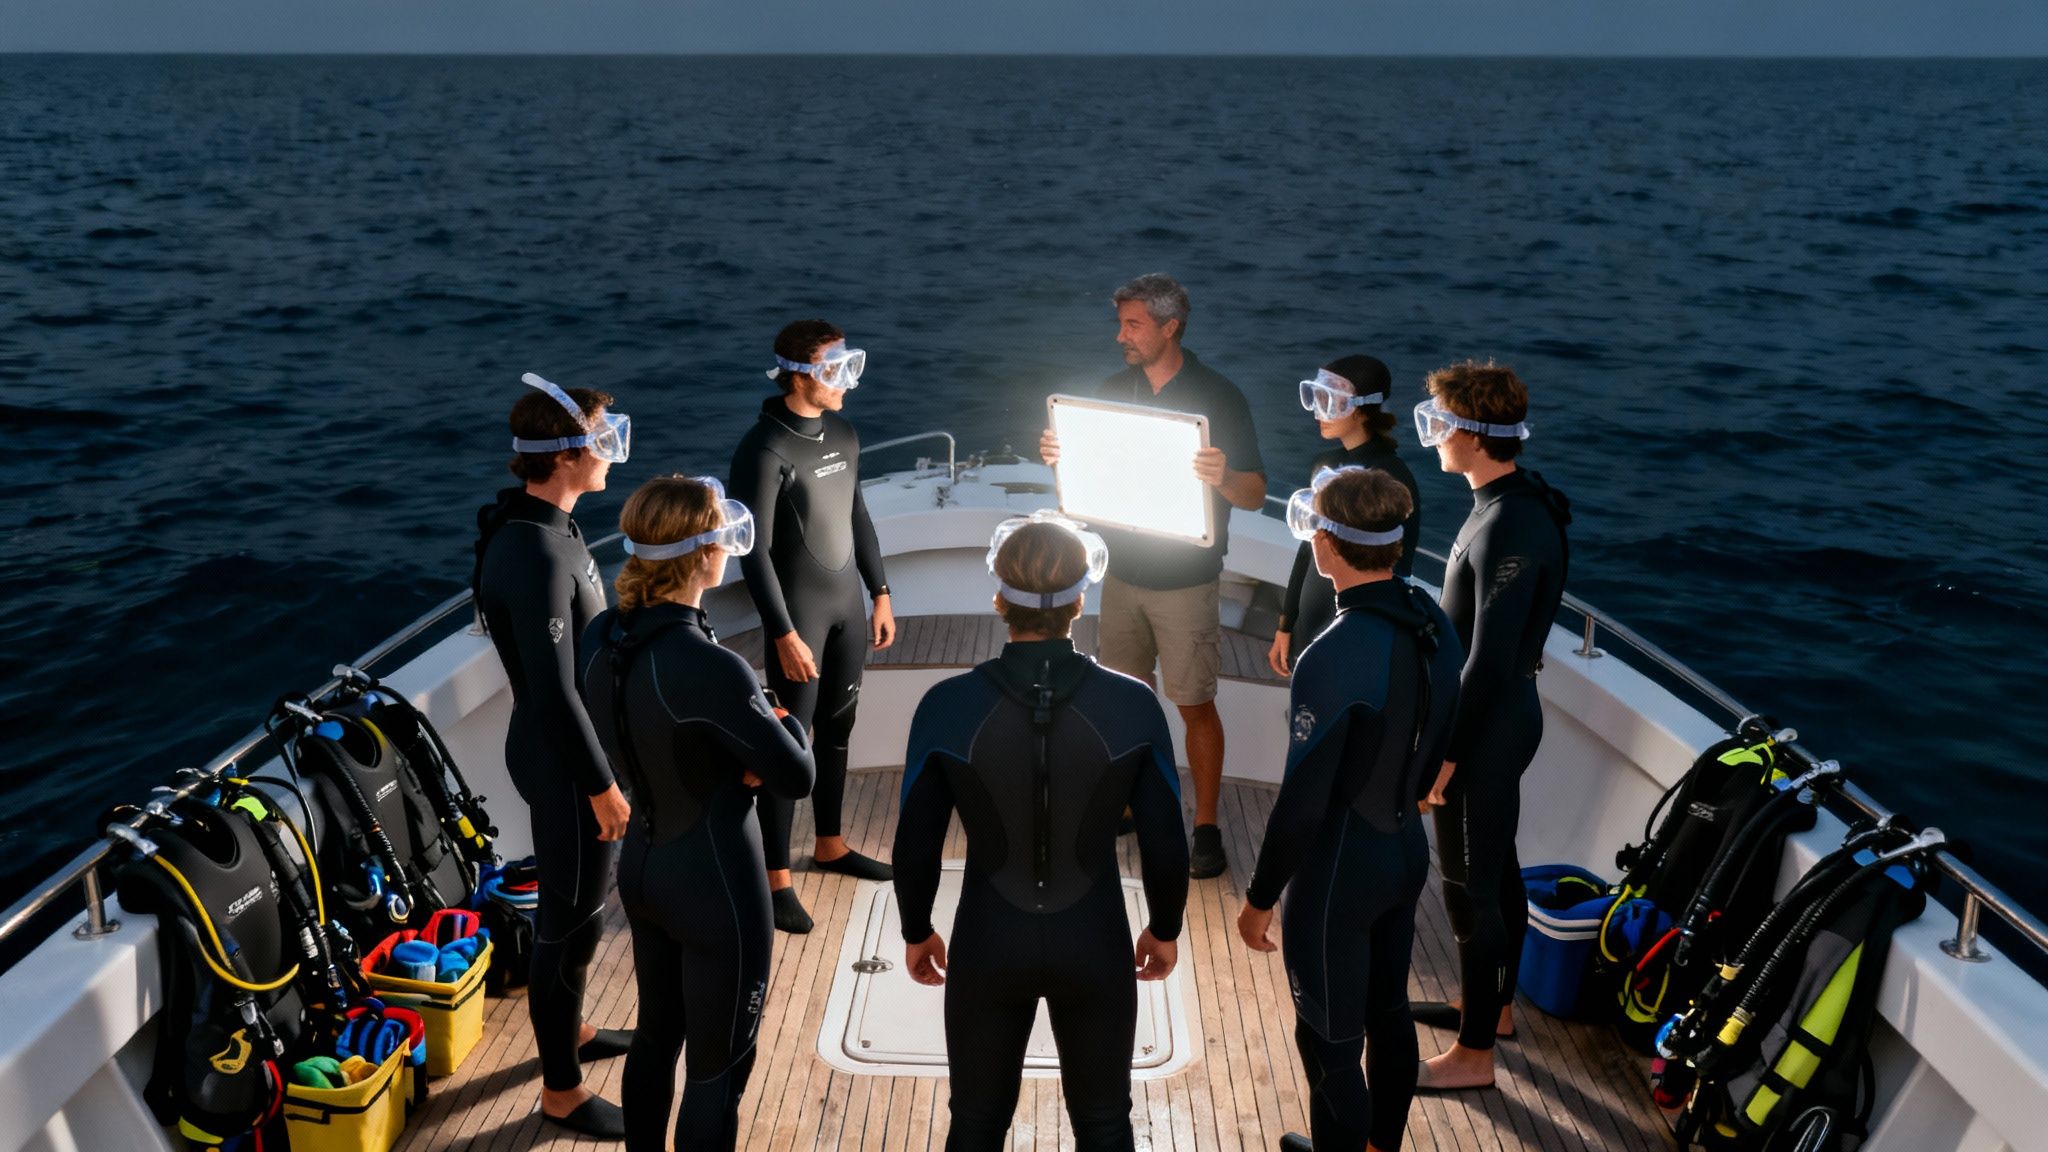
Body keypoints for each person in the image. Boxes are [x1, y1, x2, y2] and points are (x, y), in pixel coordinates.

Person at [894, 511, 1190, 1152]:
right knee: (1105, 1123)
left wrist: (917, 929)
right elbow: (1167, 838)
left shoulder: (946, 704)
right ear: (1081, 601)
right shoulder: (1134, 704)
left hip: (988, 940)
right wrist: (1164, 927)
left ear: (999, 598)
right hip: (1094, 939)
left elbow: (915, 842)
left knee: (976, 1123)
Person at [578, 475, 816, 1152]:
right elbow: (796, 775)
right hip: (717, 883)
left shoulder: (601, 636)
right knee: (718, 1072)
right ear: (706, 555)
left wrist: (733, 745)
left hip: (643, 869)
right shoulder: (712, 667)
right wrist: (780, 725)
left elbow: (659, 732)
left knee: (656, 1037)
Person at [1237, 467, 1464, 1152]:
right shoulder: (1432, 619)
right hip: (1404, 849)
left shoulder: (1333, 654)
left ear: (1325, 544)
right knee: (1388, 1013)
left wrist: (1259, 898)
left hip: (1341, 872)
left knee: (1329, 1043)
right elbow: (1444, 732)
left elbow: (1303, 802)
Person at [1038, 273, 1265, 879]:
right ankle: (1129, 804)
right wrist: (1062, 459)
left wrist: (1221, 477)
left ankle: (1206, 826)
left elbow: (1253, 493)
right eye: (1121, 325)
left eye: (1133, 325)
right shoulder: (1113, 391)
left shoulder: (1220, 396)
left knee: (1194, 705)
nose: (1121, 337)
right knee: (1126, 698)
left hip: (1187, 581)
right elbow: (1091, 479)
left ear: (1170, 327)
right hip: (1121, 576)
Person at [472, 372, 634, 1138]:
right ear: (565, 454)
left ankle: (572, 1030)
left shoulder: (554, 529)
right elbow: (553, 689)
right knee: (569, 925)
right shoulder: (534, 550)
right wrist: (601, 783)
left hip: (571, 751)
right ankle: (561, 1093)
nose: (613, 452)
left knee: (583, 917)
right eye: (603, 439)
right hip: (563, 762)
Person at [1408, 361, 1572, 1092]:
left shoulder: (1511, 521)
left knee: (1468, 889)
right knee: (1495, 869)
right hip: (1496, 719)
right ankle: (1493, 1011)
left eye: (1439, 422)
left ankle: (1474, 1055)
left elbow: (1489, 661)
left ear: (1473, 434)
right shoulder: (1506, 501)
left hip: (1489, 725)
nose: (1434, 435)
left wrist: (1444, 754)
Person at [729, 320, 898, 935]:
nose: (848, 381)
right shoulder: (764, 448)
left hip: (847, 606)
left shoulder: (844, 433)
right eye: (836, 370)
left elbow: (859, 517)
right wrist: (782, 633)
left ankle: (830, 845)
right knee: (788, 743)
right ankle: (776, 879)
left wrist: (880, 593)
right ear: (799, 375)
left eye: (851, 365)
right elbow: (753, 551)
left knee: (838, 728)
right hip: (798, 618)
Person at [1268, 355, 1423, 677]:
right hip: (1309, 622)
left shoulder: (1390, 477)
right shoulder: (1323, 464)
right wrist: (1286, 623)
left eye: (1329, 400)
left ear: (1361, 407)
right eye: (1315, 398)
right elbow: (1306, 548)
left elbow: (1398, 568)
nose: (1318, 412)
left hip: (1354, 629)